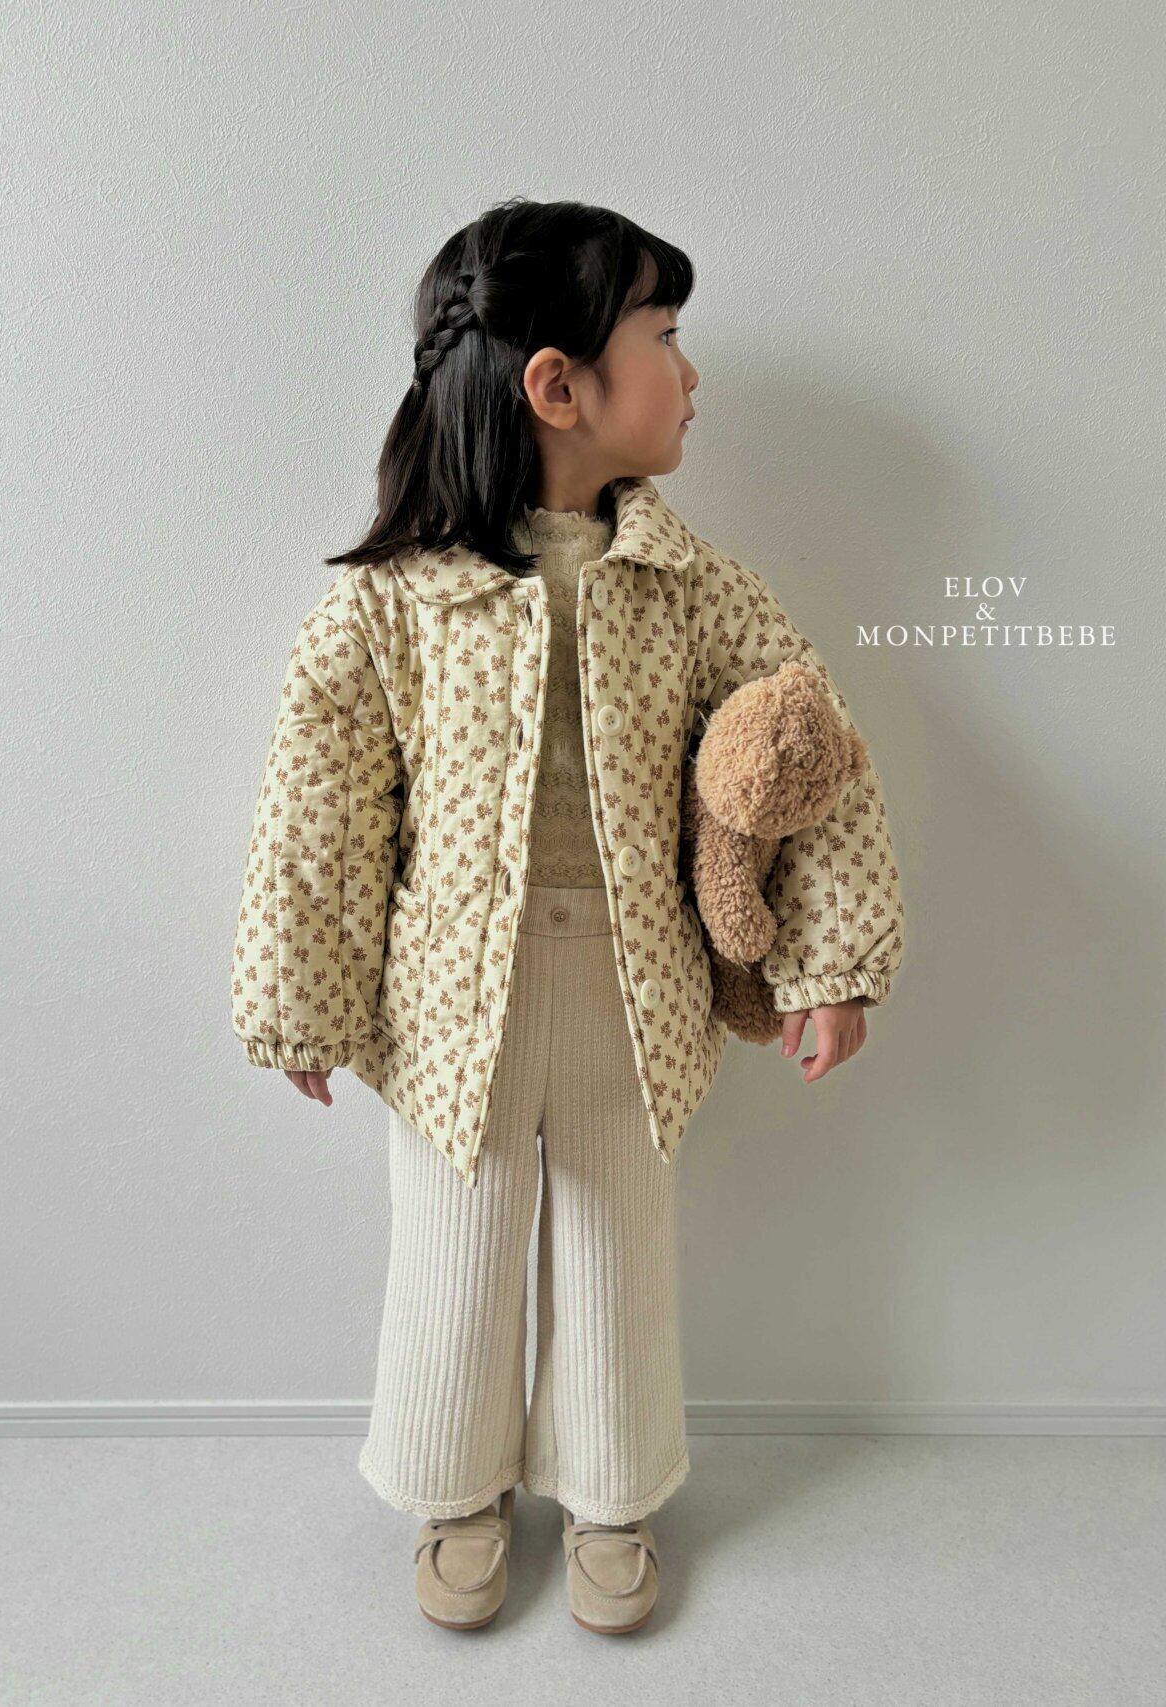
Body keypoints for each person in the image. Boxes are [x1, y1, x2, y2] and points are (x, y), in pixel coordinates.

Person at [229, 197, 905, 1634]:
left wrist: (831, 963)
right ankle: (455, 1490)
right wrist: (304, 998)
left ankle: (611, 1492)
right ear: (558, 384)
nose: (691, 373)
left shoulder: (692, 589)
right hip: (443, 1001)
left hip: (633, 982)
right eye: (665, 336)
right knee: (455, 1246)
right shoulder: (392, 606)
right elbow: (321, 812)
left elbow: (810, 748)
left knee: (615, 1246)